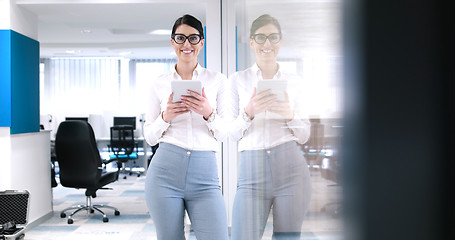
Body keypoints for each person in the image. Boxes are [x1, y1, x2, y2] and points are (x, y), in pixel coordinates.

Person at [143, 14, 229, 240]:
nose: (187, 44)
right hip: (164, 174)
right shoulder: (159, 83)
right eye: (180, 38)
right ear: (172, 42)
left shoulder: (217, 80)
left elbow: (225, 133)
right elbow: (150, 137)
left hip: (205, 177)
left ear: (202, 42)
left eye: (193, 38)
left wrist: (208, 113)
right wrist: (165, 116)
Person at [230, 14, 312, 240]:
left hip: (291, 170)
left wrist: (289, 114)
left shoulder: (295, 81)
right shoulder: (238, 80)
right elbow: (230, 133)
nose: (267, 44)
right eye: (261, 37)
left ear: (280, 41)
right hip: (251, 172)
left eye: (273, 37)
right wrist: (249, 112)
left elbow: (304, 135)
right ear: (251, 42)